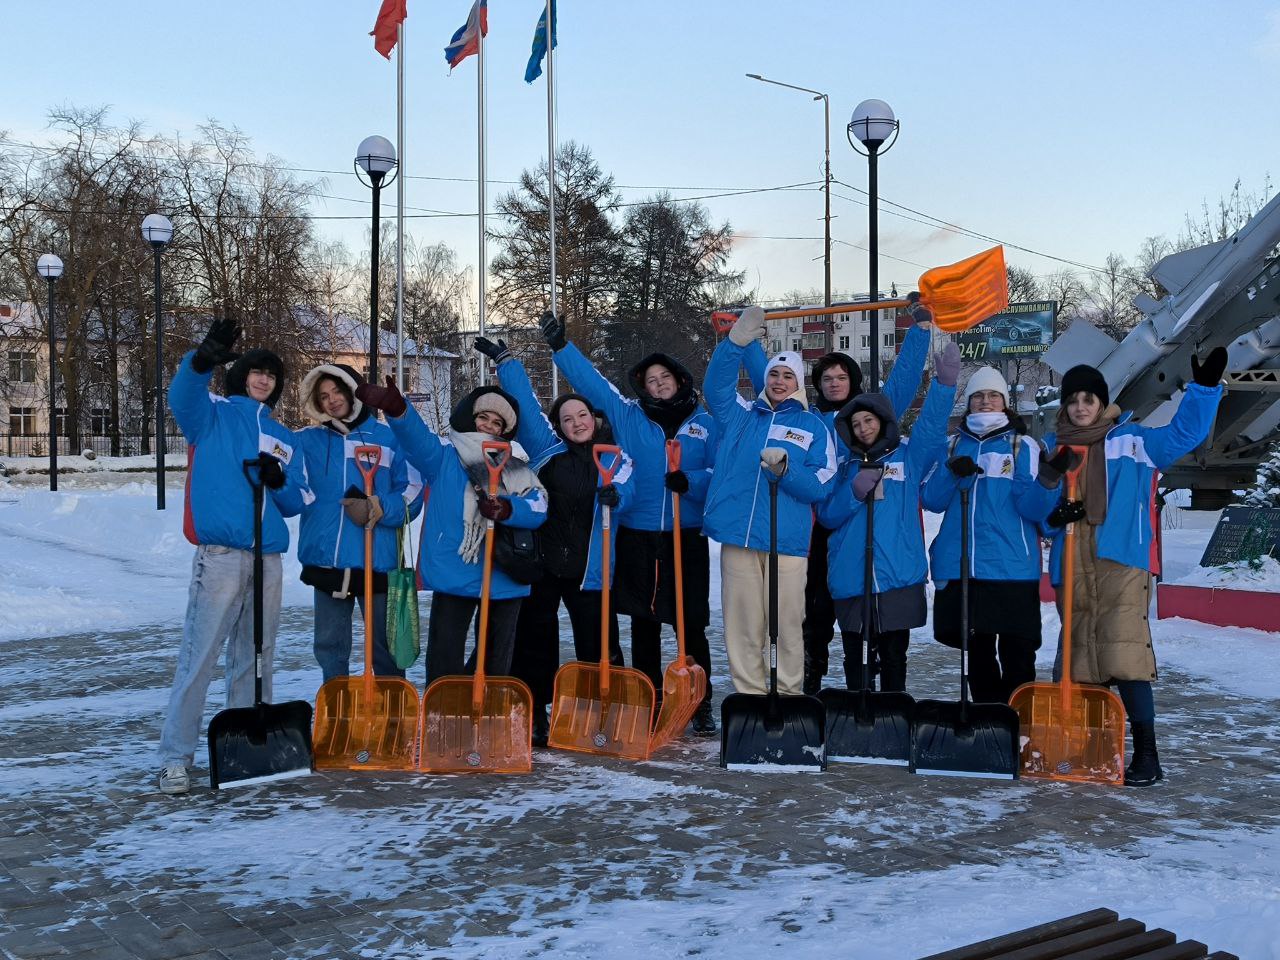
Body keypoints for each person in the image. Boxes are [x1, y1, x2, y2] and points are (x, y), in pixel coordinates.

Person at [1042, 351, 1226, 786]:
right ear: (1065, 406)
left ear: (1103, 403)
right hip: (1073, 561)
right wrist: (1053, 517)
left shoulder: (1134, 441)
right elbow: (1041, 504)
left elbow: (1185, 433)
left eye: (1090, 398)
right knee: (1082, 661)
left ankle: (1146, 754)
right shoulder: (1058, 449)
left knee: (1124, 655)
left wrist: (1202, 392)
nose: (1081, 407)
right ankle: (1096, 750)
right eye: (1074, 400)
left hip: (1121, 559)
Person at [737, 296, 935, 694]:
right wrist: (746, 341)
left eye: (841, 376)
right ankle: (810, 683)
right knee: (815, 611)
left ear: (853, 381)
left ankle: (876, 680)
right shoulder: (807, 419)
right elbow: (769, 382)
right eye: (826, 378)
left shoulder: (869, 416)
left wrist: (920, 330)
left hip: (857, 523)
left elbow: (905, 378)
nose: (833, 383)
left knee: (867, 607)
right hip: (815, 523)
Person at [538, 311, 719, 735]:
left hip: (685, 535)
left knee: (690, 623)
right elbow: (591, 385)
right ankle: (650, 699)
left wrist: (690, 482)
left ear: (678, 379)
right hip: (639, 536)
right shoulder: (628, 416)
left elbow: (721, 475)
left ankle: (700, 701)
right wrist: (562, 349)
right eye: (650, 381)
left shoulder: (706, 425)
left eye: (664, 378)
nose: (657, 386)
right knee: (644, 624)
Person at [157, 316, 311, 795]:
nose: (263, 378)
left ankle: (246, 748)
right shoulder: (214, 414)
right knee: (199, 656)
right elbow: (181, 398)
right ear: (240, 374)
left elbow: (299, 500)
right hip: (222, 555)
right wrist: (202, 360)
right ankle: (175, 758)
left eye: (271, 374)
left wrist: (280, 481)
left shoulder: (285, 437)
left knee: (255, 657)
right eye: (256, 370)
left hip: (267, 560)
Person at [476, 337, 635, 746]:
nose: (576, 422)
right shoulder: (548, 452)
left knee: (599, 645)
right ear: (559, 426)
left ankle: (604, 712)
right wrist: (506, 362)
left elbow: (629, 489)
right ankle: (538, 715)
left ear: (594, 419)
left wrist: (617, 496)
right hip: (545, 566)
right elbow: (526, 405)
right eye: (567, 418)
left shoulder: (615, 457)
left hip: (590, 571)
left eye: (582, 414)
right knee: (536, 644)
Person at [356, 375, 548, 685]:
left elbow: (539, 507)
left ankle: (487, 715)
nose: (488, 425)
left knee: (495, 662)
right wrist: (398, 410)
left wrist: (509, 509)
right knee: (444, 659)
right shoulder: (444, 456)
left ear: (504, 430)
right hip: (455, 569)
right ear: (471, 418)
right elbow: (416, 439)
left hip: (504, 573)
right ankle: (443, 715)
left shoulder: (516, 468)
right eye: (483, 417)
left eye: (497, 422)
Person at [701, 306, 836, 696]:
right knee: (743, 625)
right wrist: (736, 343)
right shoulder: (742, 416)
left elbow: (821, 485)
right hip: (740, 537)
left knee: (788, 624)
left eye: (787, 375)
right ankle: (751, 698)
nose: (779, 380)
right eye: (774, 373)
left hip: (787, 541)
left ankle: (789, 696)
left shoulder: (813, 426)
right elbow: (716, 389)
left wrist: (786, 471)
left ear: (798, 383)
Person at [921, 366, 1070, 704]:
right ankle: (988, 725)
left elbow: (1033, 510)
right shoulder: (953, 444)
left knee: (1018, 657)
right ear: (969, 403)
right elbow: (931, 500)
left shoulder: (1022, 447)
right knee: (978, 656)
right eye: (978, 396)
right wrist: (951, 473)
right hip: (966, 568)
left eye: (992, 396)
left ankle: (1018, 726)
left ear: (1004, 402)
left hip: (1012, 567)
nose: (985, 402)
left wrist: (1048, 481)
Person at [817, 344, 959, 692]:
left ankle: (894, 717)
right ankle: (857, 717)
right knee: (855, 658)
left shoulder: (907, 458)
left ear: (883, 421)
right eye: (856, 423)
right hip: (852, 576)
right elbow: (826, 516)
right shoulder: (843, 465)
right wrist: (852, 493)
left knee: (895, 656)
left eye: (869, 420)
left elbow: (929, 429)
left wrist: (943, 387)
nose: (864, 428)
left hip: (897, 574)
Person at [294, 363, 424, 683]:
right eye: (324, 396)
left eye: (338, 391)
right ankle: (339, 718)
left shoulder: (388, 439)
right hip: (328, 562)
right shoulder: (307, 441)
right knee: (330, 648)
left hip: (377, 561)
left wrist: (379, 507)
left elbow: (413, 491)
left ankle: (393, 718)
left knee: (387, 649)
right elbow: (288, 481)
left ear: (353, 392)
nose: (333, 400)